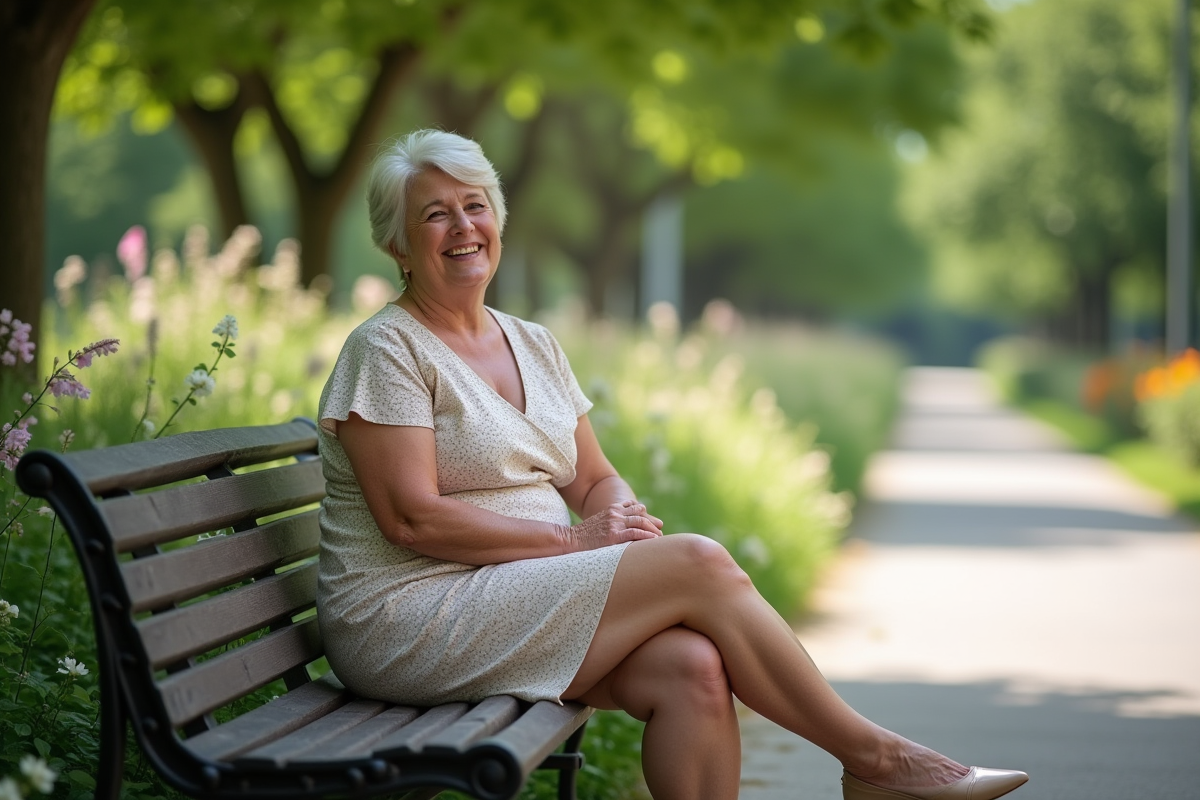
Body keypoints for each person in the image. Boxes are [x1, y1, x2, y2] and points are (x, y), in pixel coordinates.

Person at [314, 129, 1028, 800]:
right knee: (701, 564)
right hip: (411, 617)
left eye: (476, 206)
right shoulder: (388, 350)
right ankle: (878, 761)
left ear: (499, 219)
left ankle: (876, 766)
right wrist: (574, 543)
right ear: (396, 244)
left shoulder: (532, 343)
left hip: (511, 595)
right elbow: (412, 517)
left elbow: (591, 478)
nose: (464, 226)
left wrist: (615, 519)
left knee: (694, 669)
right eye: (436, 214)